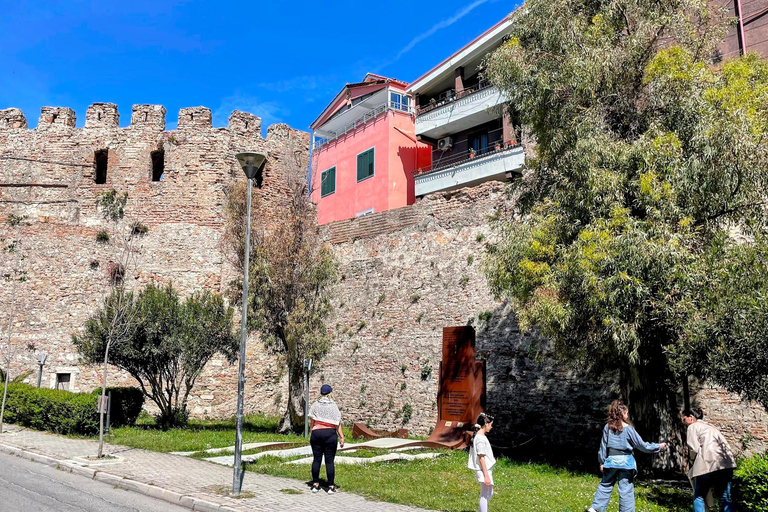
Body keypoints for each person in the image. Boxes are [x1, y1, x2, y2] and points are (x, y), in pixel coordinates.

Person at [587, 400, 668, 512]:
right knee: (626, 490)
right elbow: (642, 445)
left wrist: (602, 462)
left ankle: (595, 508)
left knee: (605, 485)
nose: (628, 415)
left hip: (611, 461)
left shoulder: (608, 427)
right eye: (627, 413)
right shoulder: (629, 429)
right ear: (623, 413)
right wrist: (658, 446)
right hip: (626, 463)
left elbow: (603, 446)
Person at [682, 407, 737, 512]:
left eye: (684, 419)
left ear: (691, 417)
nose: (684, 422)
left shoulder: (693, 427)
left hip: (708, 462)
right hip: (727, 463)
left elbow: (694, 448)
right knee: (725, 496)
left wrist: (693, 462)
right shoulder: (711, 427)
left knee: (699, 496)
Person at [308, 383, 344, 494]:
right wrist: (342, 437)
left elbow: (312, 421)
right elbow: (337, 423)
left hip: (316, 434)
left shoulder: (315, 405)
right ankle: (331, 486)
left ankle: (315, 484)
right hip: (329, 434)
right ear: (330, 394)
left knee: (316, 459)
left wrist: (311, 432)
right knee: (329, 461)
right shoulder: (333, 406)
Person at [467, 412, 495, 512]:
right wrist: (486, 475)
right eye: (491, 424)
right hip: (483, 470)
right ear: (486, 424)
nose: (491, 427)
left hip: (486, 469)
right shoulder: (480, 439)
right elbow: (481, 457)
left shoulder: (480, 436)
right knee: (485, 494)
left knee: (489, 493)